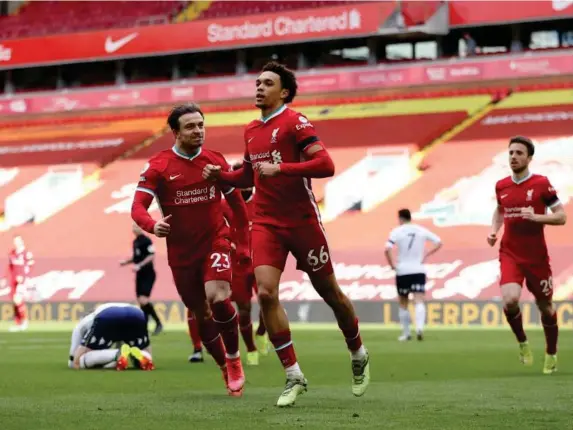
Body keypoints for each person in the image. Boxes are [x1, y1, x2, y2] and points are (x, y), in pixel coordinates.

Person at [203, 61, 370, 407]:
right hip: (265, 222)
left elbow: (326, 165)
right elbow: (248, 177)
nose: (259, 87)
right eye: (257, 82)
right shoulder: (250, 129)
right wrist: (219, 175)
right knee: (265, 293)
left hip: (302, 222)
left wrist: (282, 168)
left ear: (284, 92)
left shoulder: (296, 122)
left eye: (267, 83)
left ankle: (357, 350)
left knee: (330, 293)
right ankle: (293, 374)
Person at [131, 103, 250, 396]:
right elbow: (137, 207)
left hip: (216, 241)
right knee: (200, 313)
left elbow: (237, 205)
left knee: (219, 298)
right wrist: (152, 225)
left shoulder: (215, 160)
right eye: (190, 126)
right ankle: (223, 365)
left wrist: (243, 242)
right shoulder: (159, 166)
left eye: (201, 125)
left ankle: (234, 360)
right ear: (175, 132)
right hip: (182, 254)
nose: (198, 131)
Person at [488, 136, 567, 374]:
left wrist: (538, 217)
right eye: (511, 152)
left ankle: (551, 352)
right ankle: (522, 342)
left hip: (536, 257)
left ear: (529, 158)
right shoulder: (501, 185)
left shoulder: (542, 184)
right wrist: (494, 231)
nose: (513, 156)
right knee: (510, 300)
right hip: (510, 252)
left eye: (519, 153)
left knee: (546, 307)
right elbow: (499, 211)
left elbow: (561, 216)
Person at [384, 209, 442, 341]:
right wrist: (427, 254)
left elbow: (387, 248)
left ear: (400, 218)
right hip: (418, 269)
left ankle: (406, 333)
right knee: (419, 300)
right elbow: (439, 242)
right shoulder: (421, 230)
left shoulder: (397, 231)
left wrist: (392, 265)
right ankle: (420, 328)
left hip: (403, 270)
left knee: (403, 302)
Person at [68, 302, 154, 371]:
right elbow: (146, 346)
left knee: (82, 359)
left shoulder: (87, 320)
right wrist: (149, 356)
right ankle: (143, 356)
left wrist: (74, 362)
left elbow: (75, 358)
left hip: (108, 316)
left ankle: (117, 354)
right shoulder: (105, 307)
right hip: (138, 314)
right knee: (143, 352)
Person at [120, 223, 163, 335]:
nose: (135, 229)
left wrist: (140, 265)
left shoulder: (146, 240)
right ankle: (144, 325)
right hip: (139, 274)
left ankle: (158, 323)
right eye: (133, 227)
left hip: (148, 274)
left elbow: (151, 255)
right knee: (141, 302)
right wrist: (126, 262)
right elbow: (136, 258)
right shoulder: (135, 242)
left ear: (142, 228)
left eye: (137, 227)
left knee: (144, 300)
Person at [7, 235, 34, 332]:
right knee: (15, 301)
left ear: (22, 241)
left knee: (18, 299)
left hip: (22, 280)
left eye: (18, 241)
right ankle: (19, 323)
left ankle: (24, 322)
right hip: (14, 280)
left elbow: (30, 266)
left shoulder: (27, 254)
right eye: (15, 241)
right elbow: (10, 267)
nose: (16, 243)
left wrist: (23, 277)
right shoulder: (12, 253)